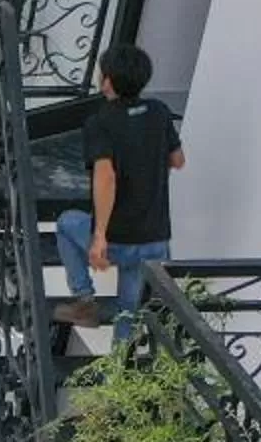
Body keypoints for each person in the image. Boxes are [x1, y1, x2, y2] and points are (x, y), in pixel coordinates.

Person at [53, 43, 183, 344]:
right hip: (155, 241)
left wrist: (99, 236)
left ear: (107, 80)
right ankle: (119, 385)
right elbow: (178, 160)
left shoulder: (101, 123)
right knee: (128, 314)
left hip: (118, 241)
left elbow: (106, 177)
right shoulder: (159, 112)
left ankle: (85, 300)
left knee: (66, 223)